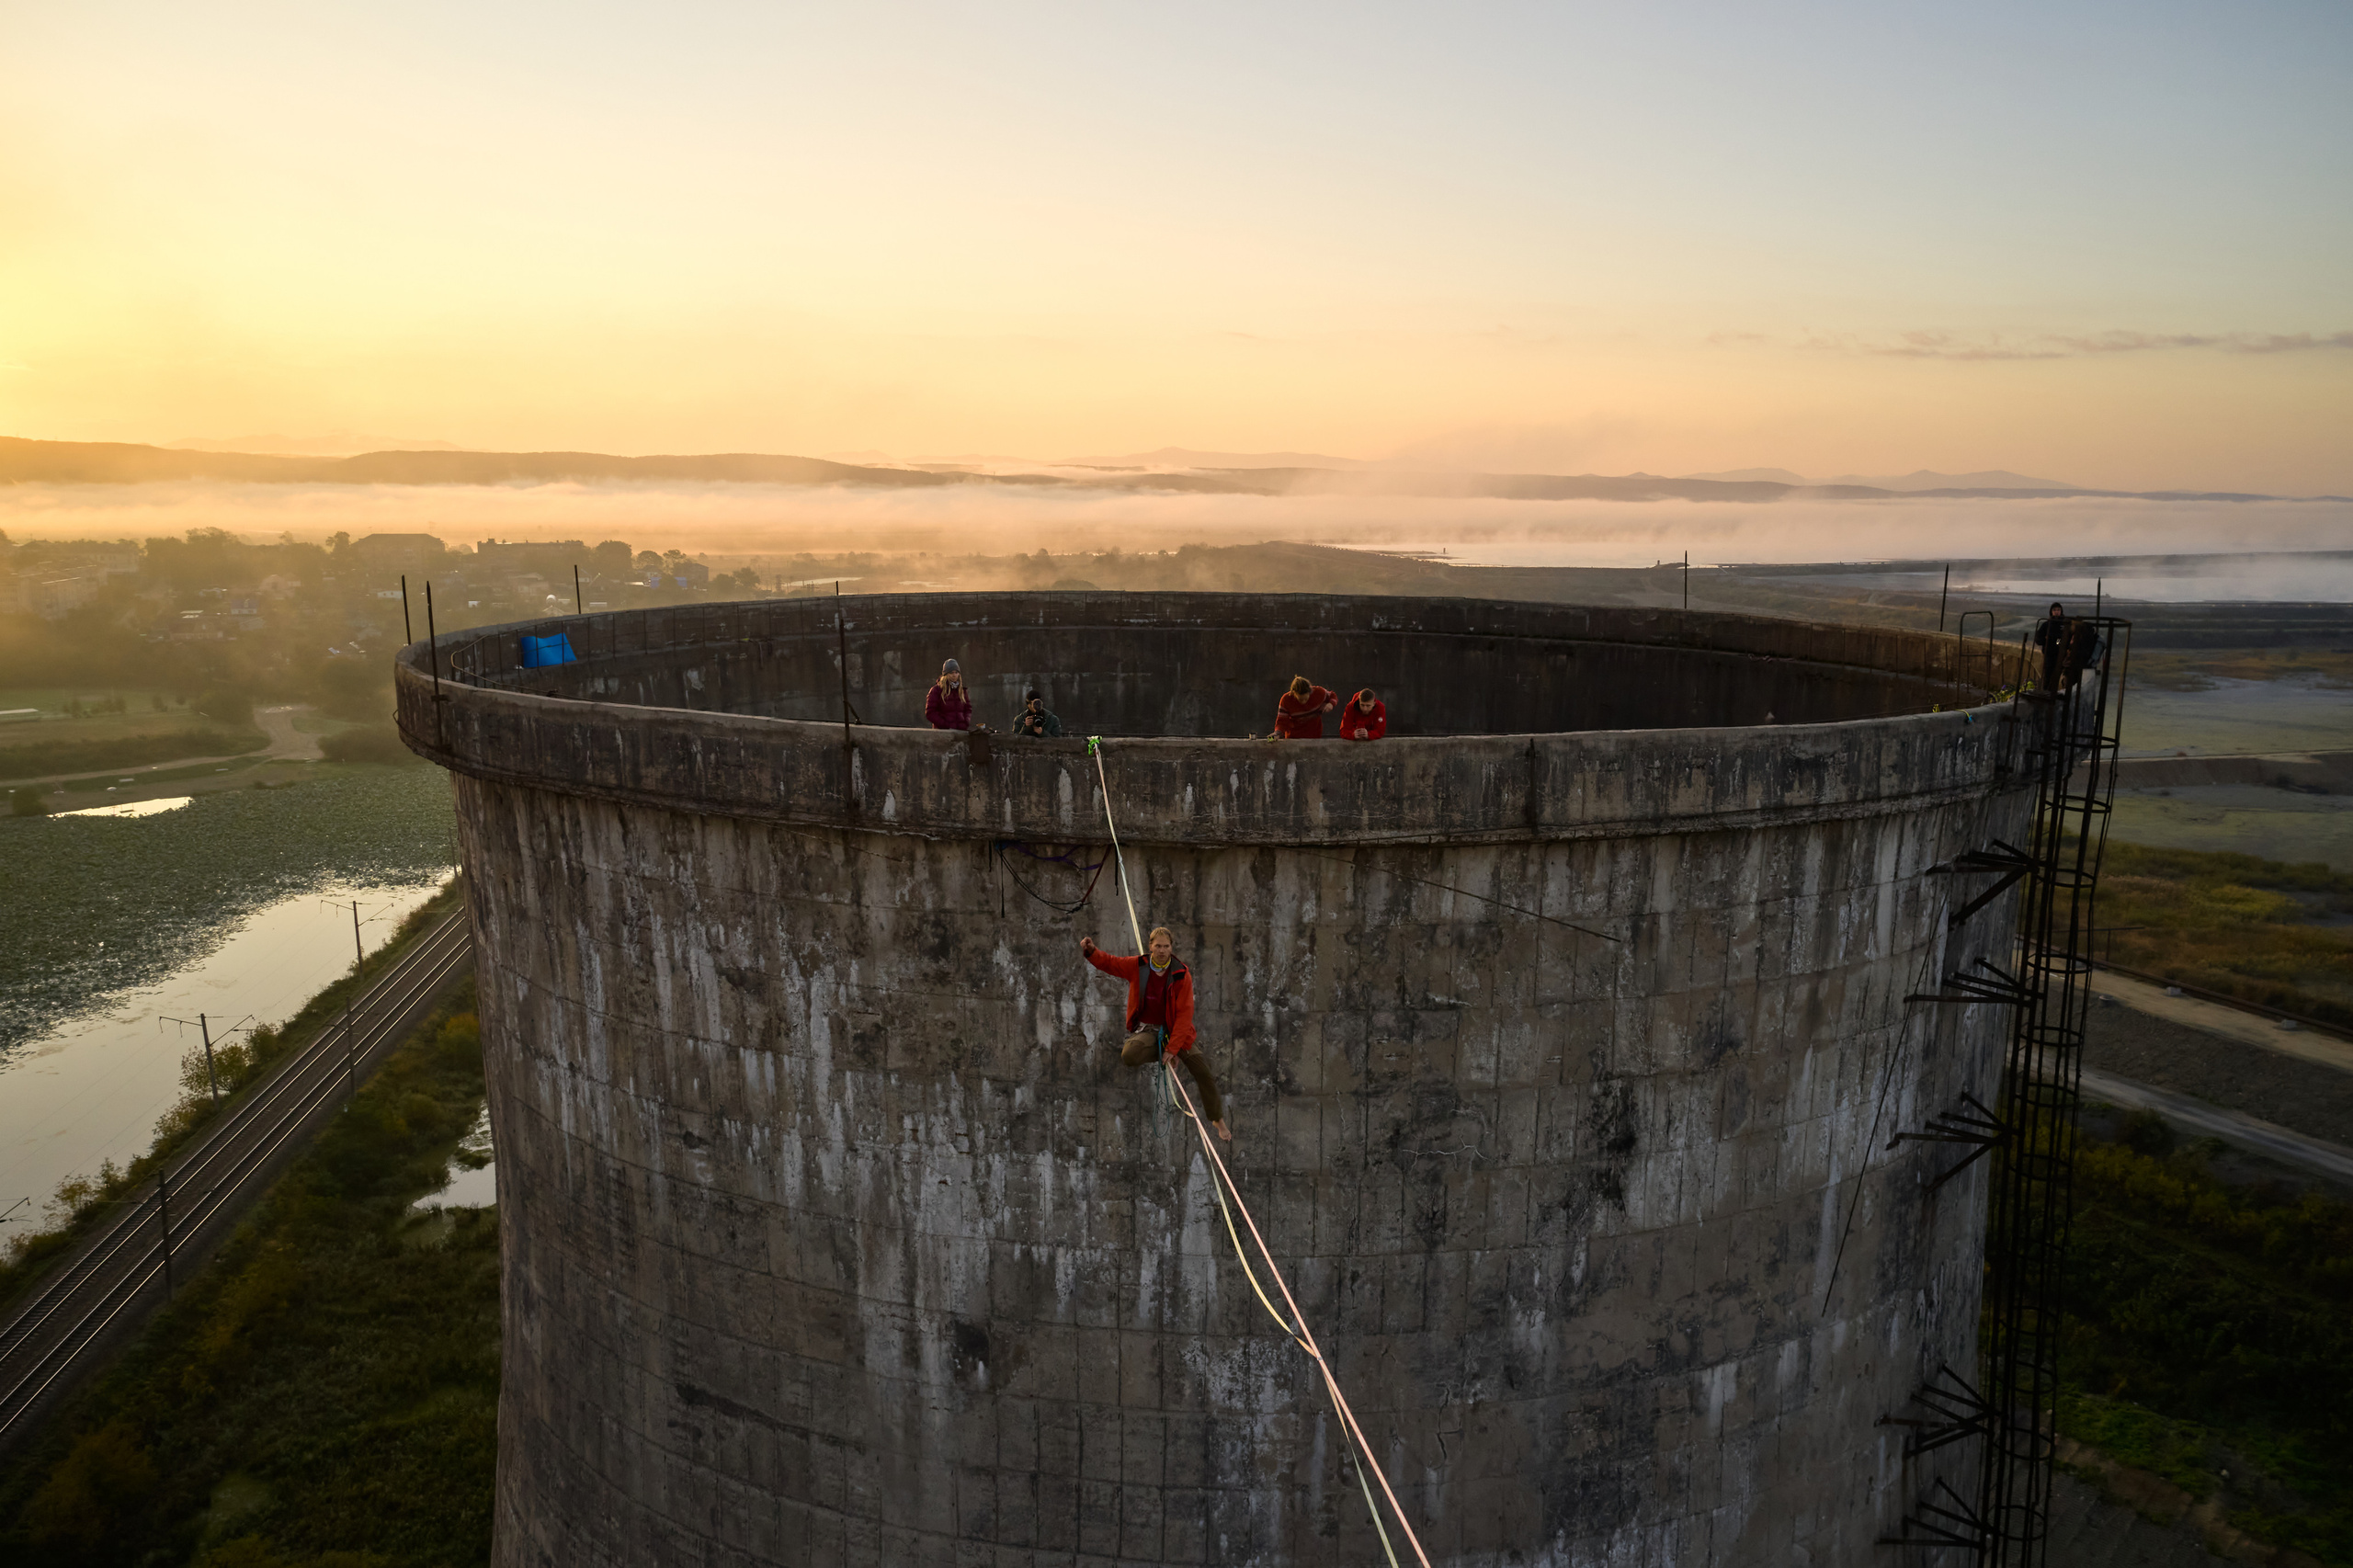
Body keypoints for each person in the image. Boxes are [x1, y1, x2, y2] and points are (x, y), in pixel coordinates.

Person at [1080, 927, 1229, 1141]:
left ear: (1171, 948)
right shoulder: (1138, 966)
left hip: (1177, 1032)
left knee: (1203, 1071)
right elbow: (1111, 963)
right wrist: (1092, 952)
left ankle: (1217, 1119)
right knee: (1129, 1055)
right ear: (1150, 946)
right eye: (1158, 946)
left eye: (1166, 946)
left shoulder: (1181, 974)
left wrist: (1173, 1049)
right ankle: (1162, 1054)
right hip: (1150, 1030)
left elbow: (1185, 1016)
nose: (1162, 950)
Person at [1273, 675, 1336, 739]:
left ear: (1310, 692)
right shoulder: (1286, 700)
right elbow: (1282, 722)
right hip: (1293, 737)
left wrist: (1330, 704)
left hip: (1314, 736)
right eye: (1300, 699)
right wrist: (1276, 734)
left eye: (1306, 699)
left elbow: (1332, 695)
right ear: (1293, 693)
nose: (1303, 702)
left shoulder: (1319, 692)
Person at [925, 658, 972, 730]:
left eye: (956, 672)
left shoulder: (962, 690)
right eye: (951, 673)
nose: (954, 675)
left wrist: (965, 722)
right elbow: (930, 713)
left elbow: (968, 709)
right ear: (946, 674)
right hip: (943, 732)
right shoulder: (937, 690)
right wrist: (945, 725)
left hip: (961, 731)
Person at [2032, 603, 2069, 694]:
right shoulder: (2047, 624)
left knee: (2058, 675)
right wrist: (2046, 640)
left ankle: (2053, 693)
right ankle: (2046, 692)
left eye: (2058, 610)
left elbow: (2063, 639)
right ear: (2051, 612)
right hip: (2049, 654)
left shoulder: (2065, 624)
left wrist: (2057, 642)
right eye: (2054, 610)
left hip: (2061, 654)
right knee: (2048, 675)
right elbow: (2038, 638)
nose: (2056, 612)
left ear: (2061, 611)